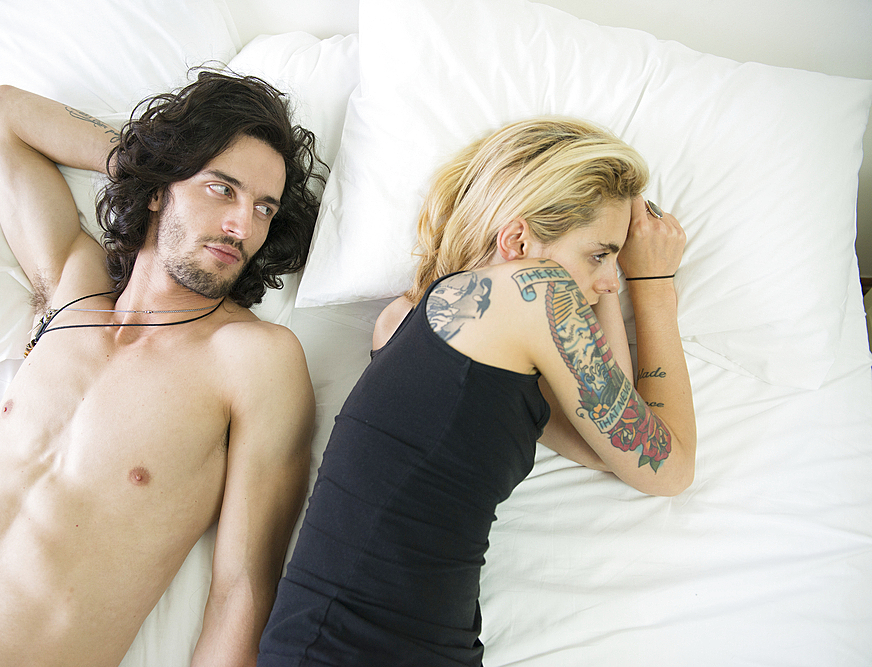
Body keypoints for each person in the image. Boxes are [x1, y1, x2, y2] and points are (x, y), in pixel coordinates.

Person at [0, 69, 325, 667]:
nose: (244, 226)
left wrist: (191, 179)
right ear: (163, 187)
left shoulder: (254, 358)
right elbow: (7, 115)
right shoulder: (71, 290)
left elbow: (242, 592)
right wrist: (149, 162)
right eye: (223, 189)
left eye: (264, 207)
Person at [257, 118, 696, 666]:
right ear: (517, 240)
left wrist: (604, 277)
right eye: (599, 254)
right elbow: (667, 466)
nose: (612, 278)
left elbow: (614, 450)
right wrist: (653, 286)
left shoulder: (405, 324)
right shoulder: (535, 294)